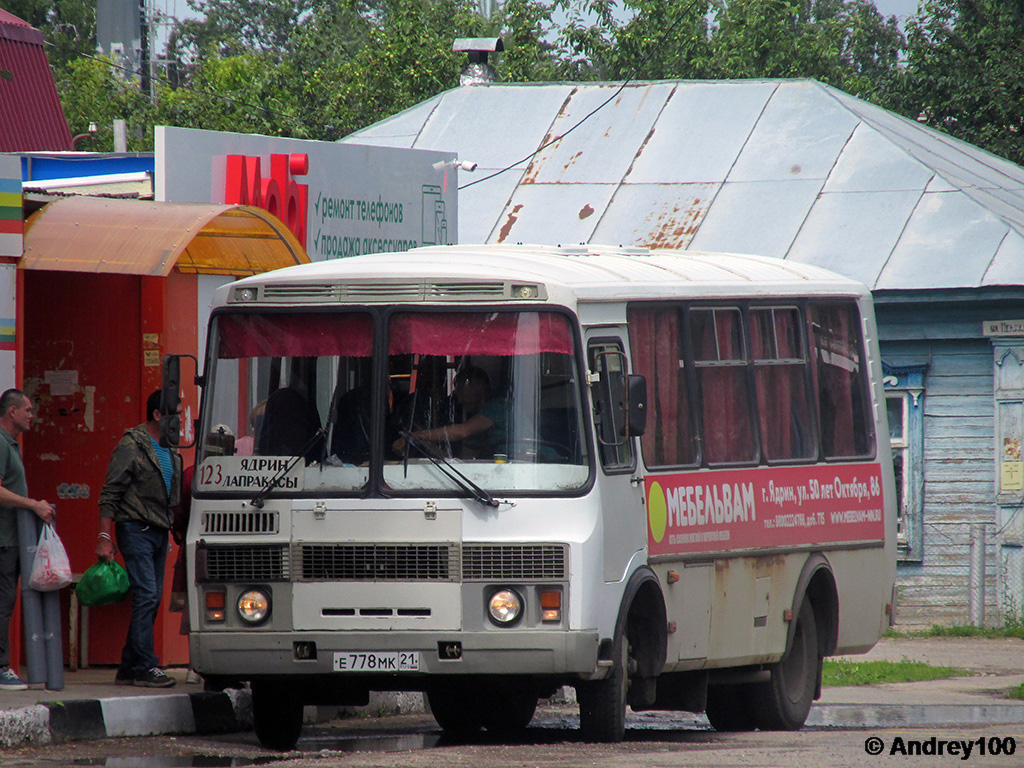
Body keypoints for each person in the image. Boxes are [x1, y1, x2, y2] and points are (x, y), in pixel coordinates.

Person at [97, 390, 182, 688]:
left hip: (159, 531)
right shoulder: (131, 445)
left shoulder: (171, 448)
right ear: (158, 415)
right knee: (147, 595)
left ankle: (128, 666)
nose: (180, 419)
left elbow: (173, 497)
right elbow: (110, 493)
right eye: (175, 413)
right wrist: (105, 536)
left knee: (153, 598)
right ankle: (146, 666)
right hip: (135, 530)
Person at [0, 389, 55, 690]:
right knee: (3, 602)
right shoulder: (0, 442)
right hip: (3, 539)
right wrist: (31, 504)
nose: (32, 416)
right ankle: (0, 667)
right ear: (12, 412)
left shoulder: (12, 445)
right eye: (29, 410)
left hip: (11, 537)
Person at [392, 367, 508, 459]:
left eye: (461, 392)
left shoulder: (499, 405)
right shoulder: (476, 430)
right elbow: (461, 462)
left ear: (478, 388)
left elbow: (462, 431)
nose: (460, 400)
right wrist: (424, 443)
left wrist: (416, 436)